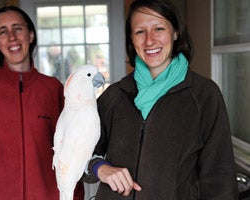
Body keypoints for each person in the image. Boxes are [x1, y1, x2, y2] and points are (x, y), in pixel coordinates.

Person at [83, 0, 239, 199]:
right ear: (131, 39)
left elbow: (220, 177)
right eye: (140, 31)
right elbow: (75, 157)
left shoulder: (204, 95)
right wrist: (99, 167)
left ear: (175, 33)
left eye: (158, 29)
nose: (150, 40)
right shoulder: (114, 96)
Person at [0, 6, 84, 200]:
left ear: (30, 35)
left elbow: (70, 153)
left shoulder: (53, 89)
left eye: (18, 28)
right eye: (3, 31)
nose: (12, 37)